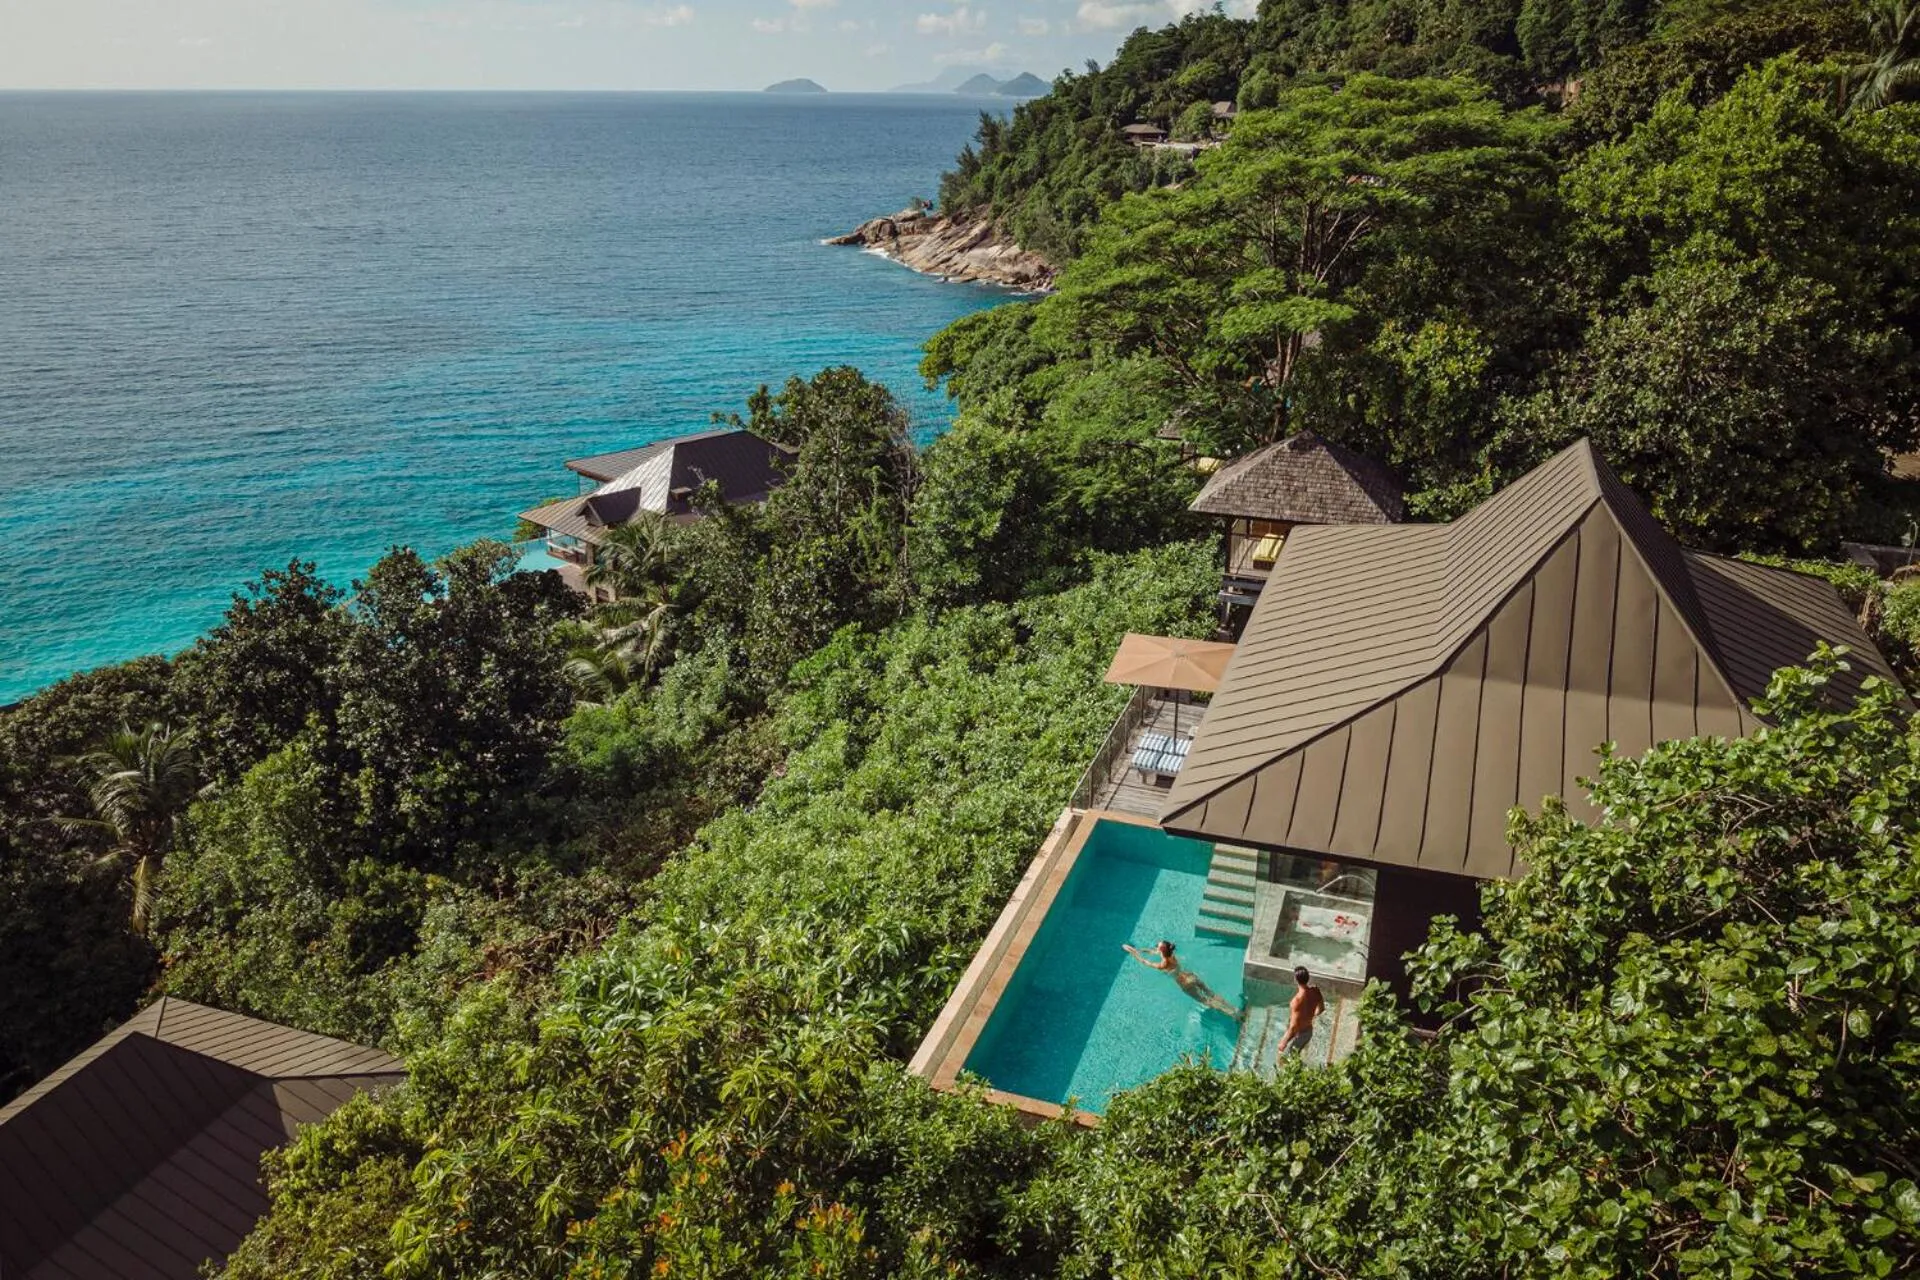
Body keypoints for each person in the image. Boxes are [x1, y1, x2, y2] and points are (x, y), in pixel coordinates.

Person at [1123, 939, 1241, 1019]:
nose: (1156, 948)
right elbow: (1154, 952)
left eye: (1158, 947)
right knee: (1211, 994)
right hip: (1191, 976)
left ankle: (1233, 1015)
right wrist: (1141, 950)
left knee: (1206, 1001)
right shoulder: (1171, 954)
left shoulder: (1164, 964)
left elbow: (1146, 962)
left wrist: (1133, 953)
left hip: (1185, 984)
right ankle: (1235, 1009)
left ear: (1162, 950)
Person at [1277, 966, 1324, 1061]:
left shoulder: (1296, 1001)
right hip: (1308, 1031)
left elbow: (1293, 1026)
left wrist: (1284, 1041)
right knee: (1294, 1057)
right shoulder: (1316, 991)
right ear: (1308, 978)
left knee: (1287, 1061)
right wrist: (1310, 1016)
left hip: (1299, 1033)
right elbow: (1321, 1009)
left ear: (1296, 979)